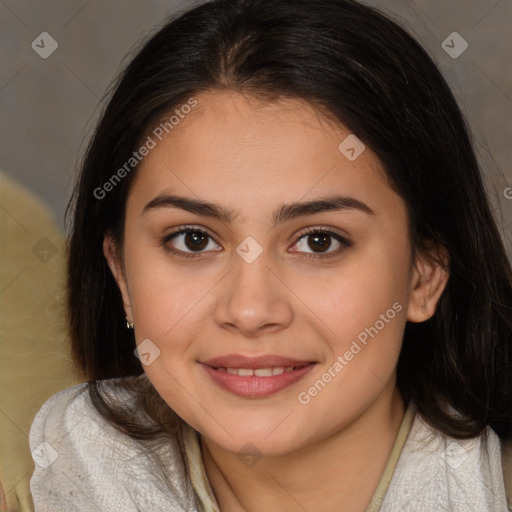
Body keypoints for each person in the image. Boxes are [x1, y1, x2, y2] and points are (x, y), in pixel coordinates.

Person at [29, 0, 512, 510]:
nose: (250, 311)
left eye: (319, 241)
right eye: (193, 239)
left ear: (424, 276)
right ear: (121, 273)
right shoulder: (58, 464)